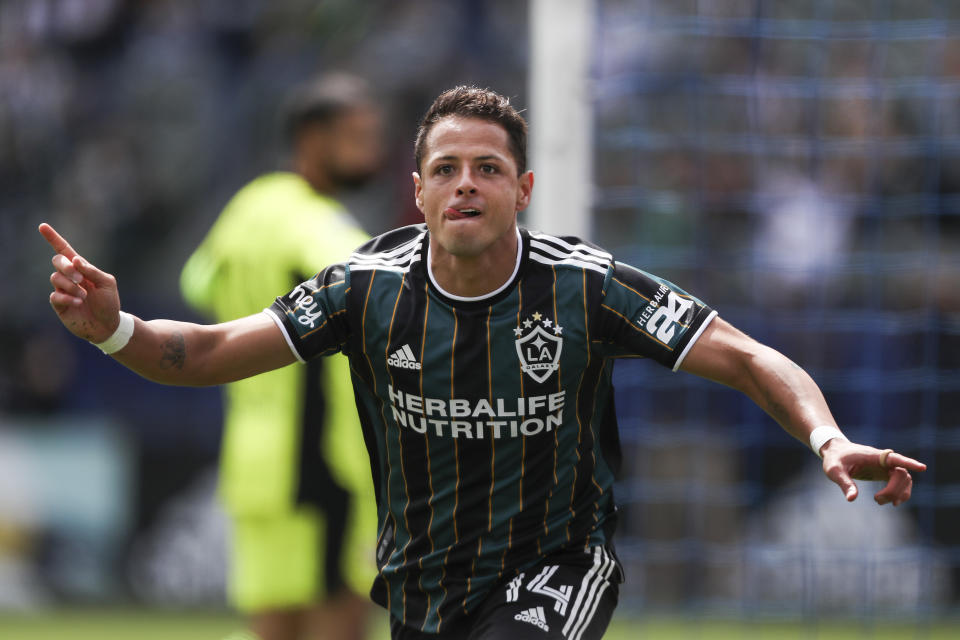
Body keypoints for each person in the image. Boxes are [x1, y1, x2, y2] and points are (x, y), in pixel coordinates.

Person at [41, 86, 925, 640]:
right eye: (448, 168)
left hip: (557, 566)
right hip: (422, 586)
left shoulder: (588, 287)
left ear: (523, 190)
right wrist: (116, 329)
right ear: (417, 191)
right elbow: (203, 352)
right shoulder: (366, 288)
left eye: (489, 168)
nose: (467, 182)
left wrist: (825, 437)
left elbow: (744, 355)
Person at [178, 74, 383, 640]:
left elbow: (196, 282)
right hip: (321, 457)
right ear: (313, 138)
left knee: (273, 625)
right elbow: (371, 291)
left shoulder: (248, 207)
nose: (373, 150)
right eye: (357, 136)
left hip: (253, 456)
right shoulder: (318, 224)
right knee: (338, 619)